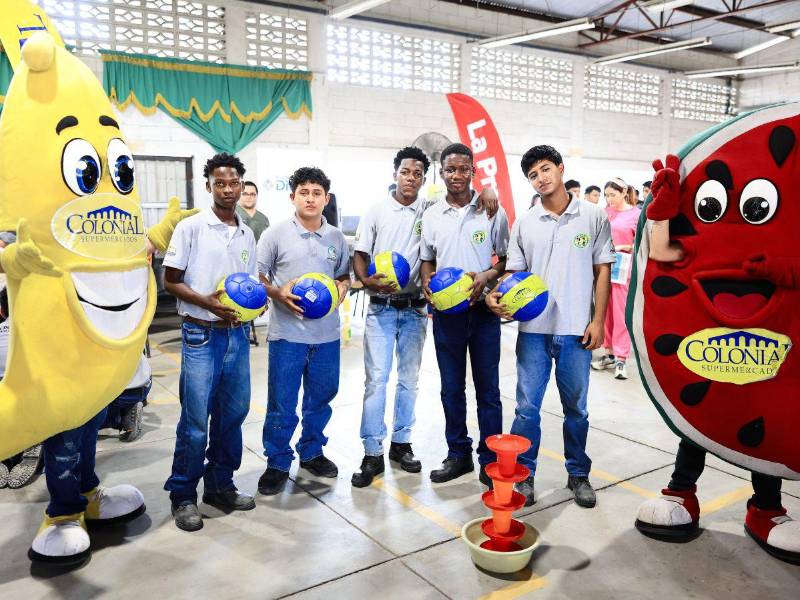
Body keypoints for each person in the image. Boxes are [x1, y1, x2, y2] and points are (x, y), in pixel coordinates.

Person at [486, 145, 613, 508]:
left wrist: (598, 321)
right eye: (533, 175)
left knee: (577, 408)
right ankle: (523, 475)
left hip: (576, 330)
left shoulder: (592, 216)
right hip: (534, 331)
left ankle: (578, 474)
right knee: (527, 408)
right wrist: (499, 297)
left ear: (560, 168)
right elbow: (514, 274)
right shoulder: (525, 222)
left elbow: (602, 269)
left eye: (545, 169)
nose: (541, 178)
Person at [163, 153, 258, 532]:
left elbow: (246, 284)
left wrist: (254, 305)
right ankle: (183, 494)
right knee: (195, 420)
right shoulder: (191, 228)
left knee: (233, 414)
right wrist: (209, 304)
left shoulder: (247, 232)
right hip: (200, 332)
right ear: (208, 187)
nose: (228, 189)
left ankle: (220, 485)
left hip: (235, 333)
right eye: (220, 183)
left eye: (234, 182)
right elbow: (171, 279)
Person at [256, 167, 351, 496]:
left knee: (321, 399)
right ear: (292, 196)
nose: (310, 198)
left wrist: (341, 289)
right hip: (287, 336)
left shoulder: (337, 238)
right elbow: (259, 277)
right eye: (303, 192)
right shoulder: (275, 234)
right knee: (282, 402)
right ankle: (278, 460)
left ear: (326, 198)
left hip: (326, 336)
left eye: (316, 193)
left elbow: (343, 277)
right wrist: (277, 294)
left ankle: (311, 451)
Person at [420, 143, 509, 487]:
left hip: (484, 312)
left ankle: (491, 460)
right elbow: (428, 256)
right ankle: (458, 454)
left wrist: (487, 277)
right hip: (447, 316)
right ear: (441, 173)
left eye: (463, 169)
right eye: (450, 169)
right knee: (451, 389)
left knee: (489, 391)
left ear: (473, 172)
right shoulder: (431, 215)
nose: (456, 175)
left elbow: (504, 258)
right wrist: (428, 277)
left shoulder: (491, 210)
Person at [592, 178, 641, 380]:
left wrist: (620, 248)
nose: (609, 199)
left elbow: (640, 243)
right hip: (604, 267)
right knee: (604, 311)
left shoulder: (636, 214)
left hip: (623, 267)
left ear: (623, 192)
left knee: (620, 312)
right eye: (607, 195)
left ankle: (621, 357)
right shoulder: (605, 213)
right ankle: (609, 353)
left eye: (612, 194)